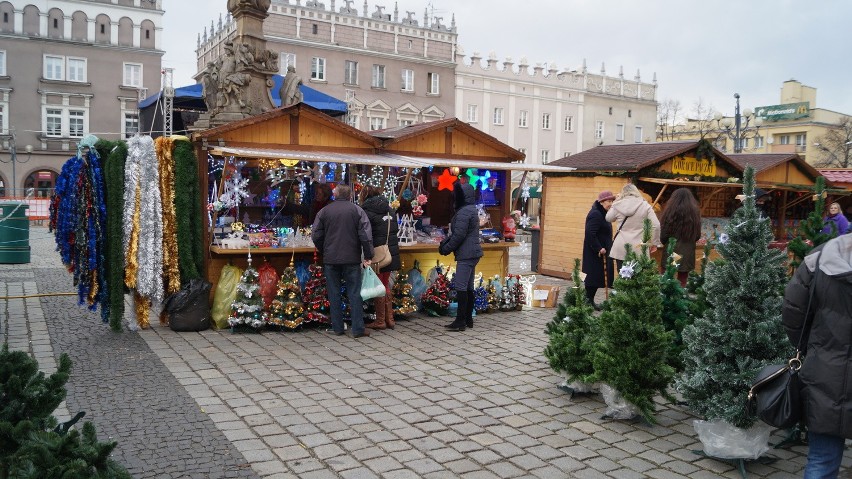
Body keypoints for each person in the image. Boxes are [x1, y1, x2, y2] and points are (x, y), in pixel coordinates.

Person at [781, 233, 852, 478]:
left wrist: (814, 350)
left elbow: (793, 314)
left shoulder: (821, 256)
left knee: (822, 460)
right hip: (826, 371)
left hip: (824, 373)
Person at [311, 184, 374, 338]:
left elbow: (316, 234)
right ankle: (358, 328)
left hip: (331, 258)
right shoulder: (357, 211)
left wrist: (324, 249)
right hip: (352, 258)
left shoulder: (324, 211)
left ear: (335, 194)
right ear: (349, 195)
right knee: (354, 293)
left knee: (334, 293)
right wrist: (368, 254)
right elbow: (365, 235)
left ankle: (338, 328)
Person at [439, 182, 483, 332]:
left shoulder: (464, 212)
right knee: (469, 287)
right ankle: (468, 318)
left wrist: (446, 248)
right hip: (472, 253)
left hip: (466, 254)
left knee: (461, 287)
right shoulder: (471, 210)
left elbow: (458, 235)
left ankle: (460, 321)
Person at [360, 186, 400, 331]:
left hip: (377, 253)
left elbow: (366, 234)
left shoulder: (366, 211)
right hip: (390, 252)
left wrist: (367, 255)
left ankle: (381, 321)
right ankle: (390, 319)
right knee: (385, 284)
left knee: (378, 285)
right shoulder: (390, 210)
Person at [605, 183, 661, 270]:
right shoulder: (645, 205)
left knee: (623, 278)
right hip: (639, 248)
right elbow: (656, 225)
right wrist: (654, 243)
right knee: (639, 278)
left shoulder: (618, 205)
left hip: (621, 247)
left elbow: (608, 218)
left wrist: (616, 201)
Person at [659, 188, 702, 286]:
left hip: (671, 250)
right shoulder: (695, 214)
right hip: (687, 251)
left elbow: (664, 235)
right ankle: (681, 298)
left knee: (666, 277)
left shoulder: (669, 212)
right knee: (682, 279)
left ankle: (665, 299)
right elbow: (697, 236)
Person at [582, 191, 615, 308]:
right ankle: (587, 300)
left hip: (601, 252)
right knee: (593, 277)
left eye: (612, 201)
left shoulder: (603, 213)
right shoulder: (596, 214)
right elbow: (590, 233)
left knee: (596, 277)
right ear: (601, 202)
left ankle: (589, 301)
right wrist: (599, 248)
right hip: (595, 253)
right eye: (608, 201)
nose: (611, 204)